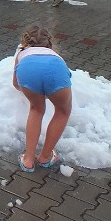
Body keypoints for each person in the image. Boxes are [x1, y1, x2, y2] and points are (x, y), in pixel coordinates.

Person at [12, 25, 72, 172]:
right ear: (49, 43)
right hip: (56, 72)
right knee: (62, 112)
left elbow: (16, 84)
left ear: (26, 41)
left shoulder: (22, 53)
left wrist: (34, 91)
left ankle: (28, 160)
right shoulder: (55, 56)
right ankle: (45, 157)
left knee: (36, 109)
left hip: (28, 72)